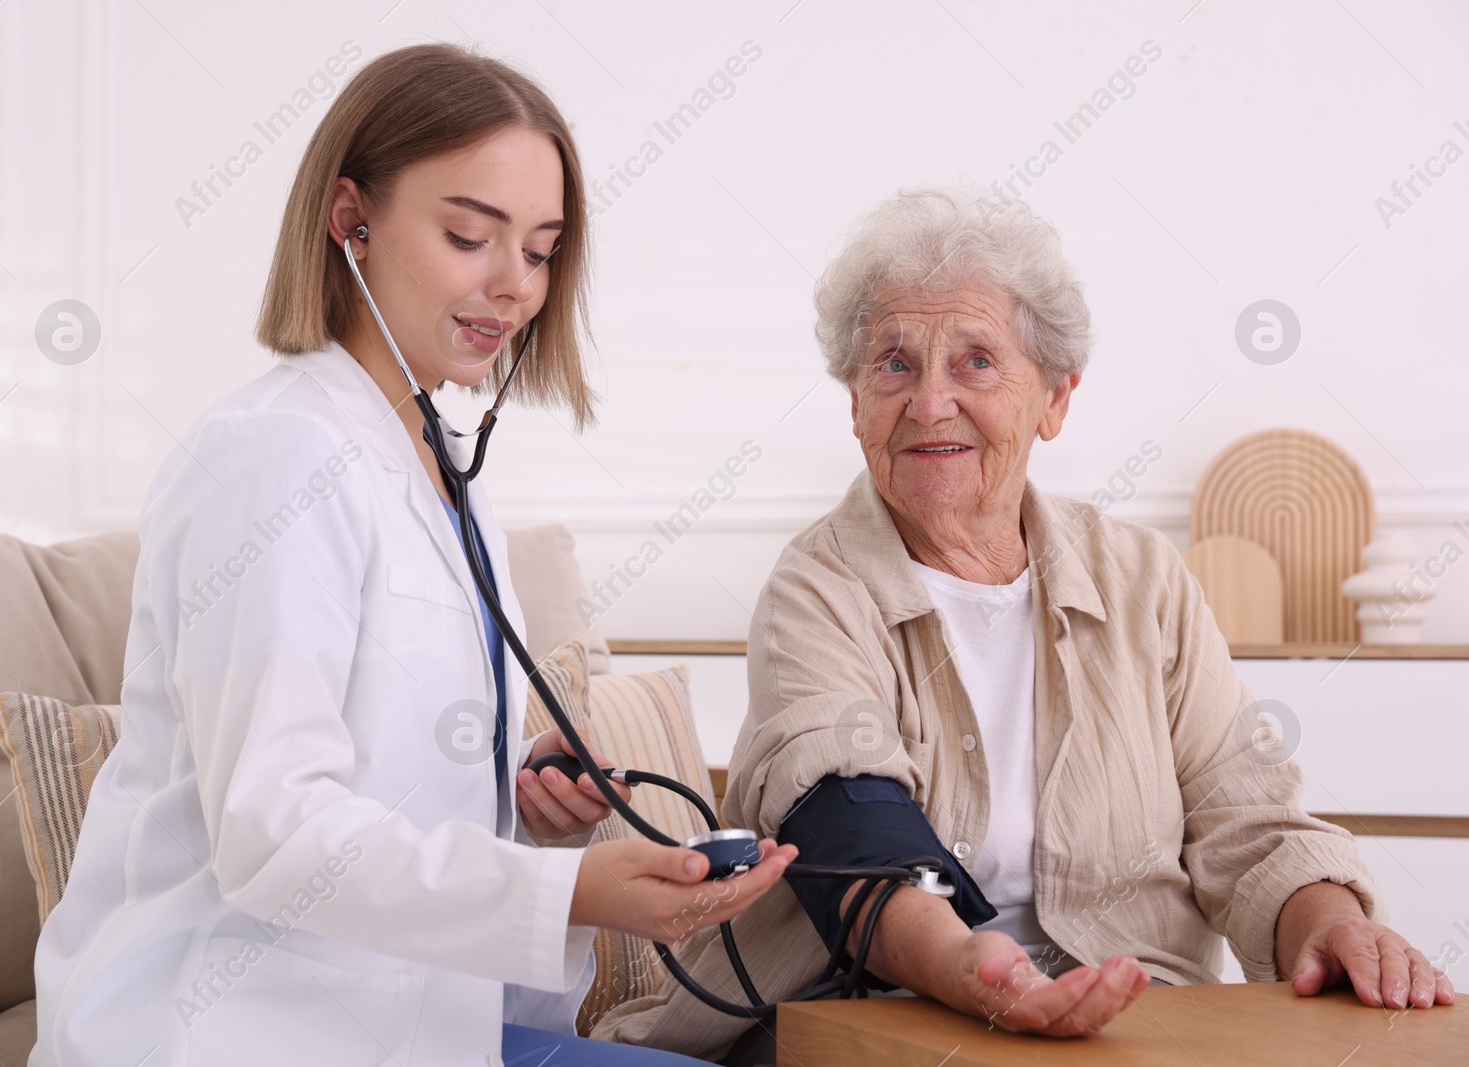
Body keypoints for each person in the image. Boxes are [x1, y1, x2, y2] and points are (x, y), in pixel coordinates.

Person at [28, 44, 796, 1067]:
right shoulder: (274, 457)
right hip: (229, 1031)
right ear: (350, 218)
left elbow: (385, 776)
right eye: (470, 235)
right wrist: (565, 892)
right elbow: (272, 829)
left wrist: (525, 804)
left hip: (418, 1029)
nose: (513, 285)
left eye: (539, 248)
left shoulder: (431, 466)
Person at [592, 188, 1454, 1064]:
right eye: (893, 363)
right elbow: (851, 825)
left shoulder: (1144, 581)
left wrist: (1333, 924)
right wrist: (972, 964)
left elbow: (1253, 822)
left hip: (1135, 1010)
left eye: (974, 361)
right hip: (870, 1005)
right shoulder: (818, 588)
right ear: (854, 400)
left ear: (1054, 397)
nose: (929, 404)